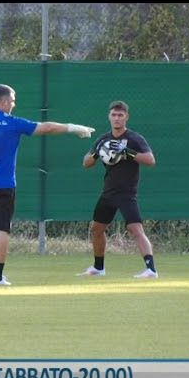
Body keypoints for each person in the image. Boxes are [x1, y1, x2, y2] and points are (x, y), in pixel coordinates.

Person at [0, 83, 95, 285]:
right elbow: (47, 127)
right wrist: (73, 127)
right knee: (2, 230)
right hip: (4, 186)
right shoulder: (12, 123)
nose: (14, 104)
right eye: (13, 101)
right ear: (5, 101)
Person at [78, 100, 158, 279]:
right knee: (96, 229)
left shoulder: (134, 138)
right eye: (114, 115)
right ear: (109, 117)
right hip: (108, 192)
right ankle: (99, 268)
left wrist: (127, 152)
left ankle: (151, 269)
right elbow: (86, 163)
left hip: (126, 193)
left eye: (120, 115)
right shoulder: (103, 139)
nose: (116, 118)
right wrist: (97, 152)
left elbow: (150, 160)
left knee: (135, 229)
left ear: (126, 117)